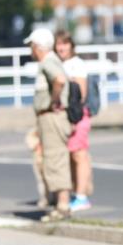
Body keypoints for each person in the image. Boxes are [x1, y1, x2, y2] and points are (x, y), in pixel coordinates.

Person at [25, 27, 74, 222]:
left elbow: (60, 80)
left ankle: (62, 206)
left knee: (55, 159)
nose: (31, 50)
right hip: (50, 118)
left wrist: (54, 101)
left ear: (38, 46)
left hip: (52, 117)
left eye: (32, 46)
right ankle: (59, 204)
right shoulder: (50, 61)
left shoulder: (48, 61)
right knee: (54, 158)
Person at [55, 30, 94, 212]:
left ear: (71, 45)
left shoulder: (76, 64)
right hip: (66, 116)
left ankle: (81, 196)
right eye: (58, 44)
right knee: (71, 155)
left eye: (65, 43)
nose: (61, 47)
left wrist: (73, 116)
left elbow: (81, 93)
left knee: (80, 154)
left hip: (76, 115)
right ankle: (77, 192)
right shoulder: (59, 64)